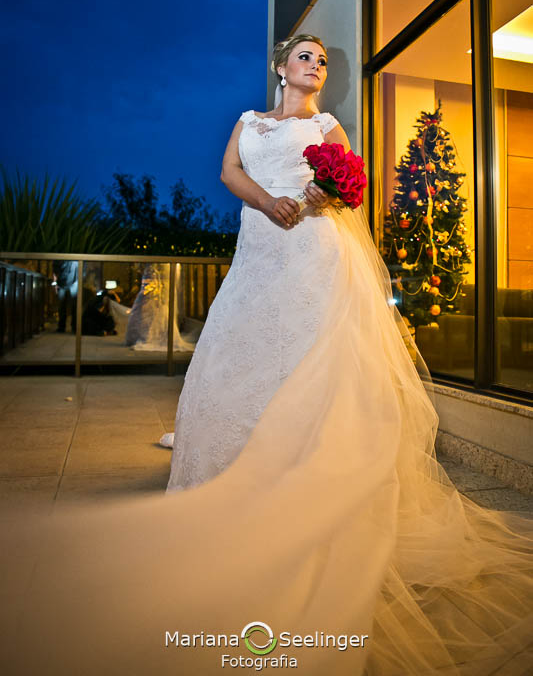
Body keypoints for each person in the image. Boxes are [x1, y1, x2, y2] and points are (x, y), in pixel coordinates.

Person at [3, 35, 533, 676]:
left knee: (308, 362)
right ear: (281, 67)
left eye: (322, 60)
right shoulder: (248, 123)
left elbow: (348, 186)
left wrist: (313, 200)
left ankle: (304, 482)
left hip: (311, 250)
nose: (315, 65)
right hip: (259, 249)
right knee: (236, 358)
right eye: (305, 57)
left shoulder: (328, 125)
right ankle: (224, 481)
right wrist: (267, 200)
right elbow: (229, 173)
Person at [52, 259, 78, 333]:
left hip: (71, 282)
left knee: (72, 305)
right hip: (63, 283)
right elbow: (55, 269)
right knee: (63, 306)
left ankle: (71, 326)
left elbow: (55, 268)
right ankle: (64, 326)